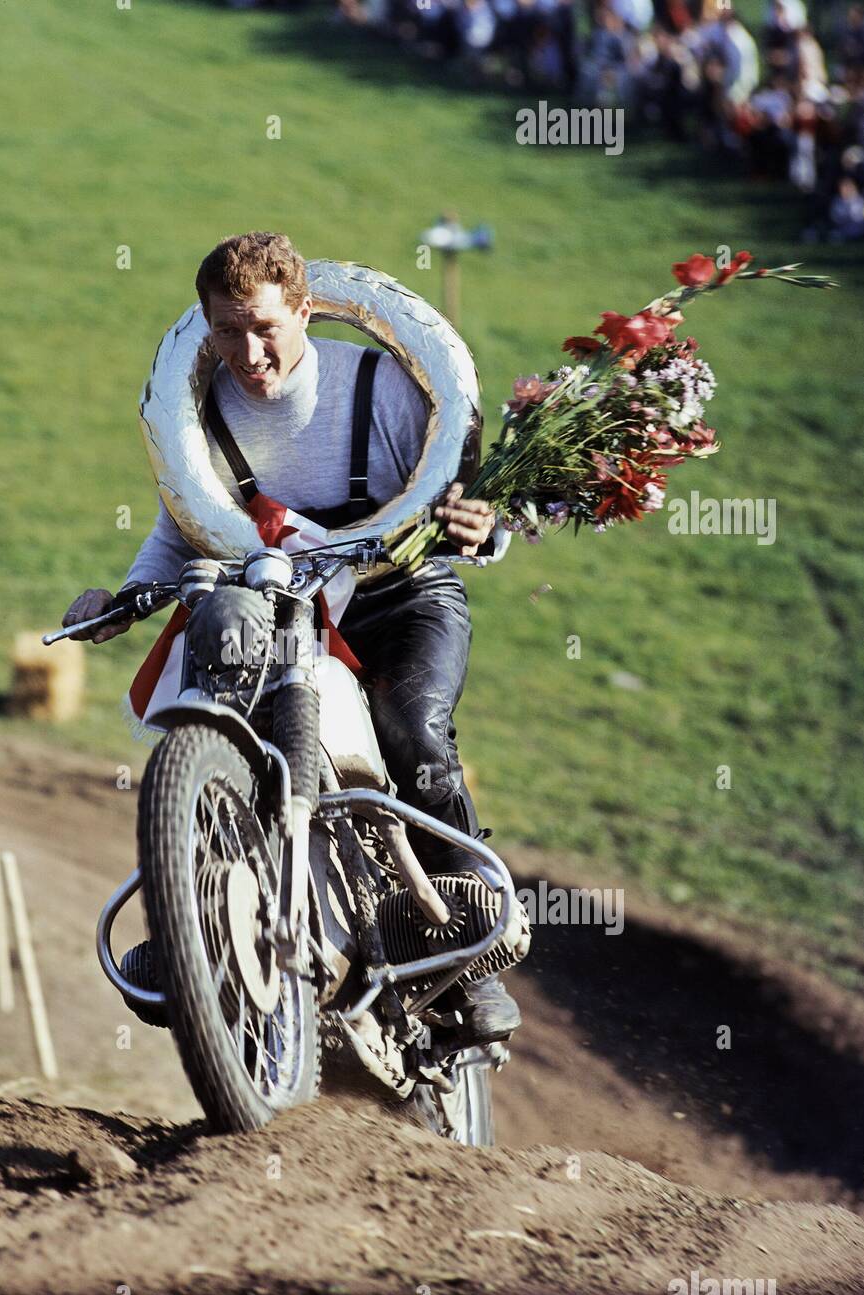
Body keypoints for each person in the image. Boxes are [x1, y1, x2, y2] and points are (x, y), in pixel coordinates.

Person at [63, 231, 521, 1048]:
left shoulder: (384, 386)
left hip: (400, 599)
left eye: (266, 328)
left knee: (412, 729)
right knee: (215, 716)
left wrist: (484, 532)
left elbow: (468, 508)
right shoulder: (199, 416)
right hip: (280, 607)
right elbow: (185, 530)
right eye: (228, 332)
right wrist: (124, 598)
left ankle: (465, 942)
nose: (248, 352)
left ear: (306, 310)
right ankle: (192, 919)